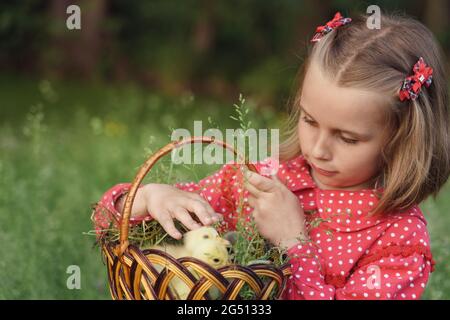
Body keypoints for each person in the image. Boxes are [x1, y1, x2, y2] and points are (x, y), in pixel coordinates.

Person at [92, 12, 450, 299]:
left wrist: (294, 243)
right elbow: (107, 220)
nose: (317, 149)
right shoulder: (266, 179)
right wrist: (150, 197)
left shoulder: (397, 239)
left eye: (347, 138)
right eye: (310, 120)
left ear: (402, 140)